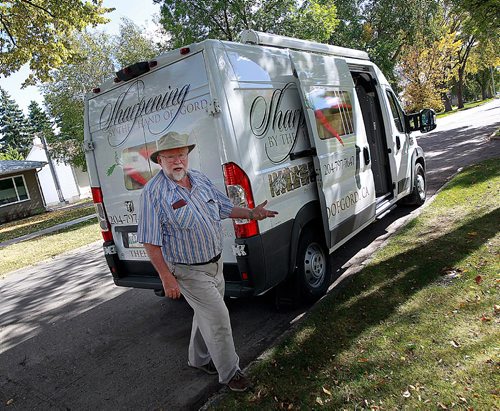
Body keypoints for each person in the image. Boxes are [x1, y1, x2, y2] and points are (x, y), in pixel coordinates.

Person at [137, 131, 278, 392]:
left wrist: (251, 213)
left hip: (215, 264)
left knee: (207, 315)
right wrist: (166, 277)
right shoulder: (153, 193)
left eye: (181, 155)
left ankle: (198, 359)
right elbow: (150, 240)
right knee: (219, 318)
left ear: (187, 156)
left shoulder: (199, 179)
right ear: (160, 161)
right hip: (187, 271)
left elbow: (224, 208)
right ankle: (231, 373)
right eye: (170, 157)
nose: (177, 161)